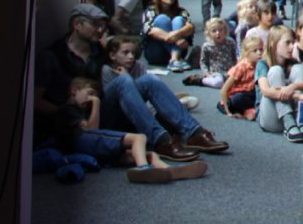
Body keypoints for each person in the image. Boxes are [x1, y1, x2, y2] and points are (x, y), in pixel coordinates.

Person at [34, 4, 228, 162]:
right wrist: (66, 109)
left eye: (103, 25)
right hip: (78, 121)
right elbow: (35, 101)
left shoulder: (98, 52)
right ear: (77, 25)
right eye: (95, 25)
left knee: (148, 80)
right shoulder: (52, 56)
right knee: (123, 81)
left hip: (105, 109)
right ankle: (161, 140)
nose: (101, 30)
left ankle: (193, 132)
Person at [57, 78, 204, 184]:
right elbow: (92, 131)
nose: (92, 98)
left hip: (97, 151)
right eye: (90, 93)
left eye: (94, 95)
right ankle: (143, 169)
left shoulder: (79, 112)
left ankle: (168, 170)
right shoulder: (68, 109)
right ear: (74, 90)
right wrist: (96, 102)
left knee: (149, 154)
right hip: (88, 143)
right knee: (139, 139)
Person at [256, 25, 303, 142]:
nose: (292, 47)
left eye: (293, 43)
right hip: (271, 118)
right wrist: (297, 95)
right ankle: (288, 122)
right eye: (287, 43)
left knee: (299, 68)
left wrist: (293, 86)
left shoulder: (292, 62)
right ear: (274, 44)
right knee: (275, 70)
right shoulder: (262, 64)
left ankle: (301, 120)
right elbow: (266, 91)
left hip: (294, 116)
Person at [140, 0, 195, 71]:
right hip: (156, 52)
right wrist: (176, 39)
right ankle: (175, 60)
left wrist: (177, 33)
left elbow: (190, 27)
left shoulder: (181, 11)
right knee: (162, 19)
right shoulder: (150, 10)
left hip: (180, 51)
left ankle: (174, 59)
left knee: (178, 20)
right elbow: (150, 30)